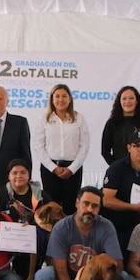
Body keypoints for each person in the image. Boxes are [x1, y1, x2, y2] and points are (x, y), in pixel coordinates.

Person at [101, 129, 140, 258]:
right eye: (136, 146)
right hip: (119, 224)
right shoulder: (116, 168)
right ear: (129, 148)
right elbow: (107, 200)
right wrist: (134, 207)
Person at [33, 84, 90, 216]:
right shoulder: (44, 119)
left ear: (70, 99)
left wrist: (72, 168)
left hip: (73, 169)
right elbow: (38, 145)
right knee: (51, 207)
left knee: (71, 207)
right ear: (52, 100)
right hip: (50, 170)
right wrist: (53, 168)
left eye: (64, 96)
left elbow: (84, 145)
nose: (61, 99)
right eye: (57, 96)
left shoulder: (79, 119)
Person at [0, 159, 52, 280]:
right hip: (9, 237)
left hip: (35, 238)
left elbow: (50, 218)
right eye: (14, 173)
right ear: (9, 176)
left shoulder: (41, 196)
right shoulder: (0, 195)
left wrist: (33, 225)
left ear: (29, 175)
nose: (19, 176)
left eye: (23, 172)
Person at [101, 85, 140, 164]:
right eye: (124, 98)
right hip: (118, 171)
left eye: (131, 98)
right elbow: (105, 151)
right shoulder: (112, 123)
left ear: (137, 101)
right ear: (119, 102)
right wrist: (115, 167)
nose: (127, 101)